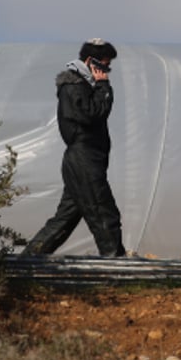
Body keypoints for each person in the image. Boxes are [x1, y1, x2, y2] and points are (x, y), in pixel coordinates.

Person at [24, 38, 126, 258]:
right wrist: (103, 86)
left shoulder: (82, 86)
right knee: (104, 212)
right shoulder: (75, 87)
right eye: (105, 66)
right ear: (91, 62)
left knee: (66, 218)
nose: (107, 71)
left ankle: (29, 259)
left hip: (85, 160)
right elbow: (94, 114)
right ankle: (116, 262)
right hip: (83, 160)